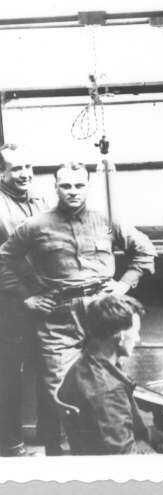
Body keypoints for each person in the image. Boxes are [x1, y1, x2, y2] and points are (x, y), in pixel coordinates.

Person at [0, 161, 156, 455]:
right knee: (60, 392)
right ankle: (62, 461)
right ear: (55, 188)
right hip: (59, 317)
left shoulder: (106, 220)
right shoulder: (36, 225)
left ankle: (119, 454)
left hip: (102, 311)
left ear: (88, 186)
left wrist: (123, 285)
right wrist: (26, 297)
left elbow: (145, 250)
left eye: (79, 185)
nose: (73, 191)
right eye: (66, 186)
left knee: (109, 381)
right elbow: (3, 258)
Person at [58, 294, 163, 455]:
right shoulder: (107, 390)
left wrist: (161, 440)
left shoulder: (86, 364)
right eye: (136, 332)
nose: (137, 338)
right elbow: (124, 457)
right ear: (120, 335)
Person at [0, 144, 48, 457]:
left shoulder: (42, 200)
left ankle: (48, 435)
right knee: (9, 372)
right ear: (1, 172)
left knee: (47, 364)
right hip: (8, 301)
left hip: (44, 298)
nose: (25, 173)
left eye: (28, 166)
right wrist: (23, 295)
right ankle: (9, 443)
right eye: (16, 168)